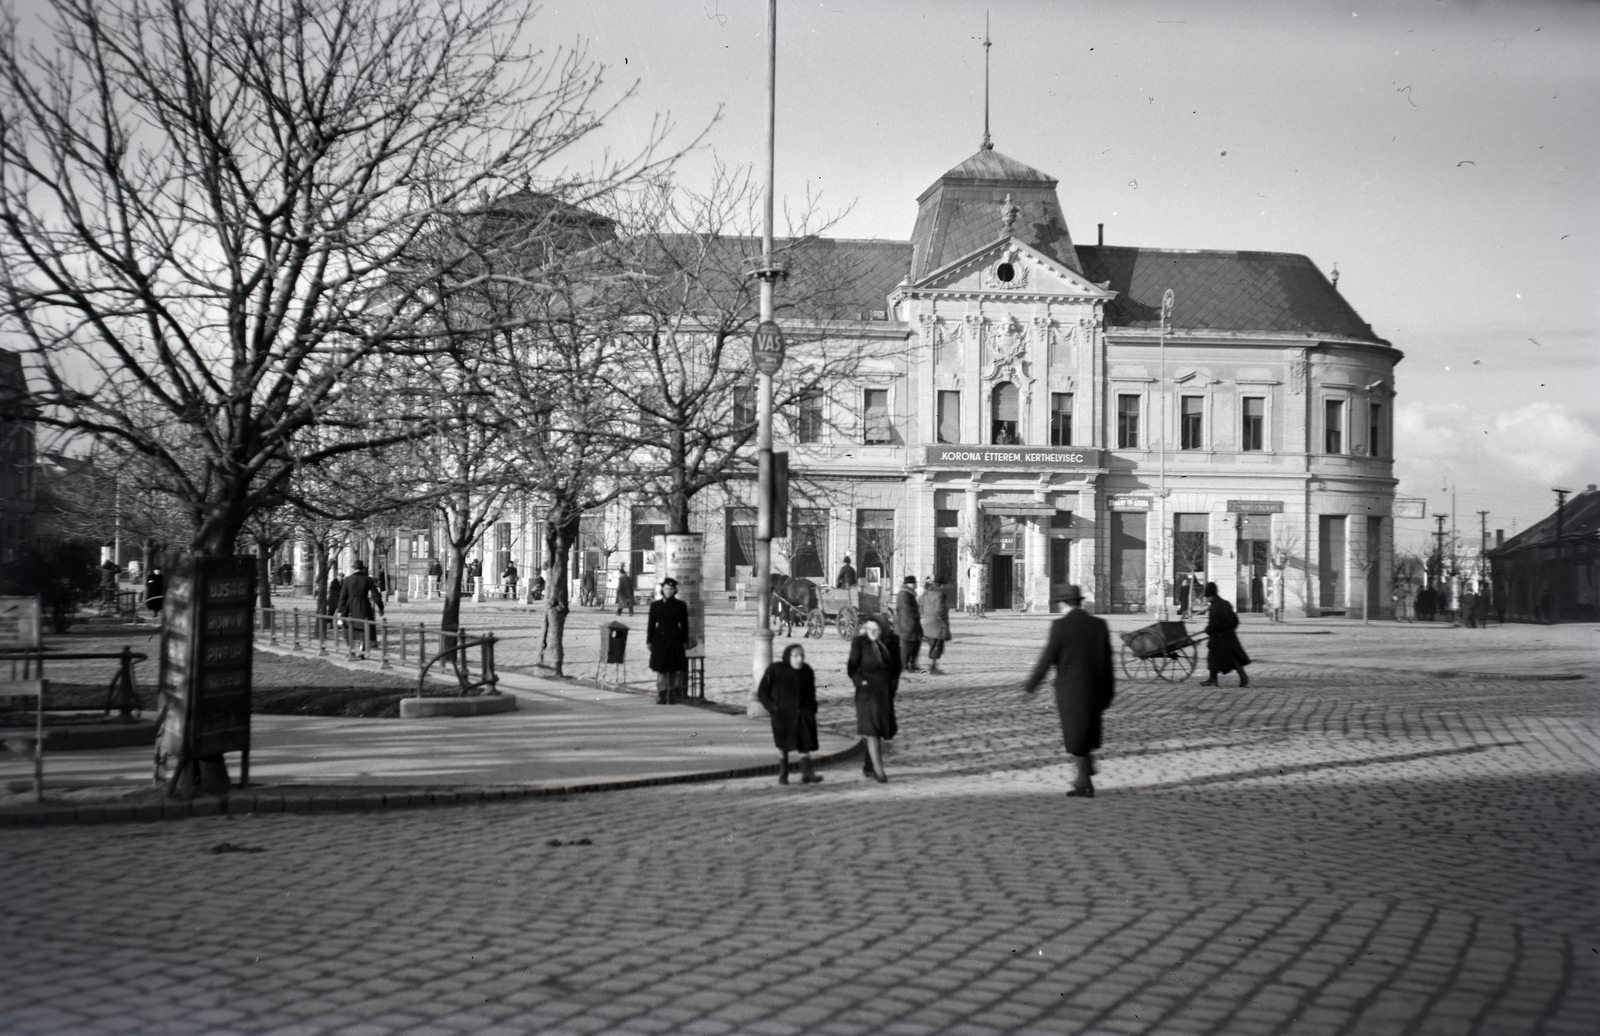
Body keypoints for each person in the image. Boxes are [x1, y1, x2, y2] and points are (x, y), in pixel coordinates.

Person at [1021, 583, 1114, 797]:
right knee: (1087, 731)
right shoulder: (1099, 624)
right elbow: (1108, 661)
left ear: (1064, 604)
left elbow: (1047, 658)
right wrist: (1109, 692)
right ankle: (1085, 773)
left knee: (1075, 734)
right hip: (1096, 687)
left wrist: (1031, 687)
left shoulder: (1060, 626)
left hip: (1070, 690)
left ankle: (1085, 782)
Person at [757, 644, 824, 785]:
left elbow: (811, 693)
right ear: (788, 657)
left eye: (802, 656)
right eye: (796, 656)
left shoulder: (807, 671)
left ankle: (807, 773)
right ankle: (783, 772)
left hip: (803, 713)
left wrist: (812, 709)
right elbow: (762, 691)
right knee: (782, 744)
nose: (800, 659)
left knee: (804, 741)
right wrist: (773, 707)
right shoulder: (775, 669)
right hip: (782, 715)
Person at [847, 615, 900, 783]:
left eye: (876, 630)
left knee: (878, 729)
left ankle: (868, 767)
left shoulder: (891, 643)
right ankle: (879, 771)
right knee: (872, 731)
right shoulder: (859, 643)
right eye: (869, 629)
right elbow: (852, 668)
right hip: (866, 692)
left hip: (884, 692)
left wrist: (892, 684)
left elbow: (897, 667)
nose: (872, 633)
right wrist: (860, 682)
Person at [647, 576, 692, 704]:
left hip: (675, 639)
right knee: (661, 668)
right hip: (660, 640)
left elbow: (684, 625)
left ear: (674, 590)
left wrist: (685, 641)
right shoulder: (656, 605)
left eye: (671, 589)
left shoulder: (681, 605)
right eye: (666, 589)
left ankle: (671, 693)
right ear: (663, 590)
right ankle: (662, 693)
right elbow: (651, 625)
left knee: (673, 668)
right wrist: (649, 641)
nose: (669, 591)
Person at [1199, 581, 1250, 687]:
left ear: (1210, 596)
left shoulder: (1213, 607)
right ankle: (1242, 676)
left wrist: (1208, 630)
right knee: (1232, 657)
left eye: (1207, 597)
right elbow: (1235, 620)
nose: (1207, 599)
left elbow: (1214, 624)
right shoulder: (1225, 603)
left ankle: (1213, 679)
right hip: (1230, 635)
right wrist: (1230, 629)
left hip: (1218, 637)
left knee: (1212, 657)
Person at [334, 559, 385, 658]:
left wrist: (339, 610)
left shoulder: (347, 580)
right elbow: (376, 596)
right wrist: (381, 608)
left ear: (354, 569)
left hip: (350, 606)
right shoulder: (368, 579)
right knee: (365, 627)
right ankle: (362, 651)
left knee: (349, 627)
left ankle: (351, 650)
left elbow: (343, 596)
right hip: (364, 605)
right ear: (362, 569)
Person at [919, 575, 951, 675]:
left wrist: (925, 615)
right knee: (937, 645)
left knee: (932, 644)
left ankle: (932, 666)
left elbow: (920, 604)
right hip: (936, 623)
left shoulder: (926, 593)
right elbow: (940, 610)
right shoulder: (939, 595)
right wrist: (945, 623)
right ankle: (932, 667)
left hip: (927, 622)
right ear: (941, 585)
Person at [893, 575, 923, 673]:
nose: (915, 585)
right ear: (907, 584)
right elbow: (907, 608)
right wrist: (917, 613)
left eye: (915, 583)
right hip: (906, 624)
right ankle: (904, 666)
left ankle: (913, 664)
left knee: (916, 644)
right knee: (907, 646)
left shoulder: (910, 594)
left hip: (913, 624)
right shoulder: (903, 594)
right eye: (913, 583)